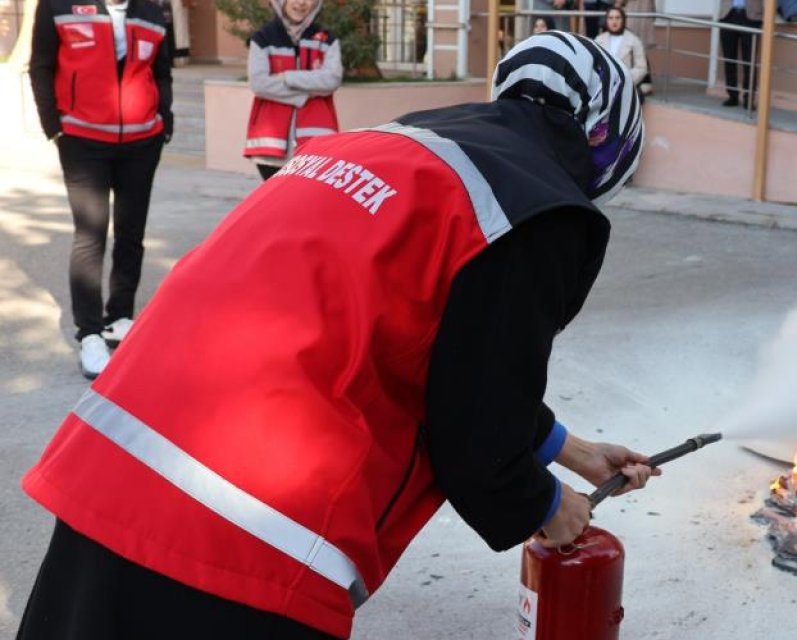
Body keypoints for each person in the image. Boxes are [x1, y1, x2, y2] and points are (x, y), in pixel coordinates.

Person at [17, 32, 648, 640]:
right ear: (606, 143)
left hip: (116, 464)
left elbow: (434, 347)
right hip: (247, 525)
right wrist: (545, 505)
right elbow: (477, 426)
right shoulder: (535, 208)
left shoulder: (389, 145)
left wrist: (571, 449)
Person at [28, 0, 173, 379]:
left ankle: (120, 317)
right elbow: (41, 66)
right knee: (90, 236)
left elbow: (162, 72)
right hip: (83, 141)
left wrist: (165, 122)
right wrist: (54, 126)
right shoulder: (58, 6)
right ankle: (90, 333)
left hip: (143, 142)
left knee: (131, 233)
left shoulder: (154, 10)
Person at [245, 0, 343, 181]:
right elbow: (259, 84)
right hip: (271, 146)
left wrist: (287, 77)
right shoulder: (263, 38)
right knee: (277, 204)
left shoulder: (327, 39)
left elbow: (332, 80)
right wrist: (307, 93)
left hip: (317, 142)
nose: (300, 3)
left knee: (309, 203)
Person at [718, 0, 763, 108]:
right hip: (728, 15)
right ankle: (732, 96)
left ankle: (748, 99)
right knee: (729, 59)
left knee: (749, 61)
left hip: (751, 17)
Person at [595, 7, 649, 96]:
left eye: (617, 18)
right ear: (606, 21)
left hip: (626, 86)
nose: (614, 21)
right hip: (602, 85)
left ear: (623, 20)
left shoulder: (634, 40)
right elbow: (594, 64)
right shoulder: (599, 39)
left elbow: (641, 68)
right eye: (611, 18)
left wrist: (624, 80)